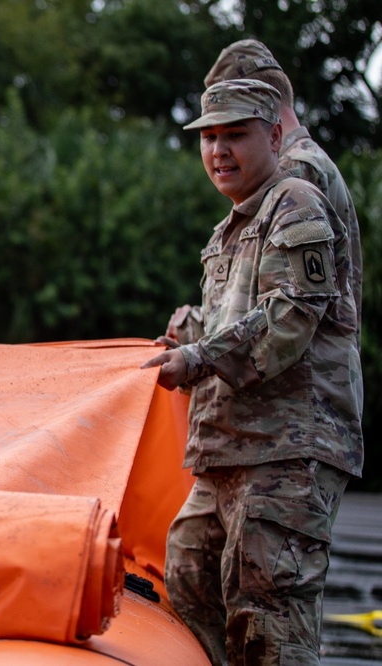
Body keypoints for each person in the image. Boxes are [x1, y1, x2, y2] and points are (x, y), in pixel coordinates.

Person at [141, 80, 363, 664]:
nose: (219, 150)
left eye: (235, 134)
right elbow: (229, 321)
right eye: (208, 137)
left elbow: (291, 317)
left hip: (285, 451)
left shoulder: (296, 202)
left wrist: (196, 358)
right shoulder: (231, 230)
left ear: (272, 135)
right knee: (189, 583)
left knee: (270, 624)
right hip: (227, 451)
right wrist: (183, 338)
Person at [167, 39, 362, 345]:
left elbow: (285, 312)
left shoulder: (295, 173)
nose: (219, 148)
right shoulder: (304, 162)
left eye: (232, 124)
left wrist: (196, 352)